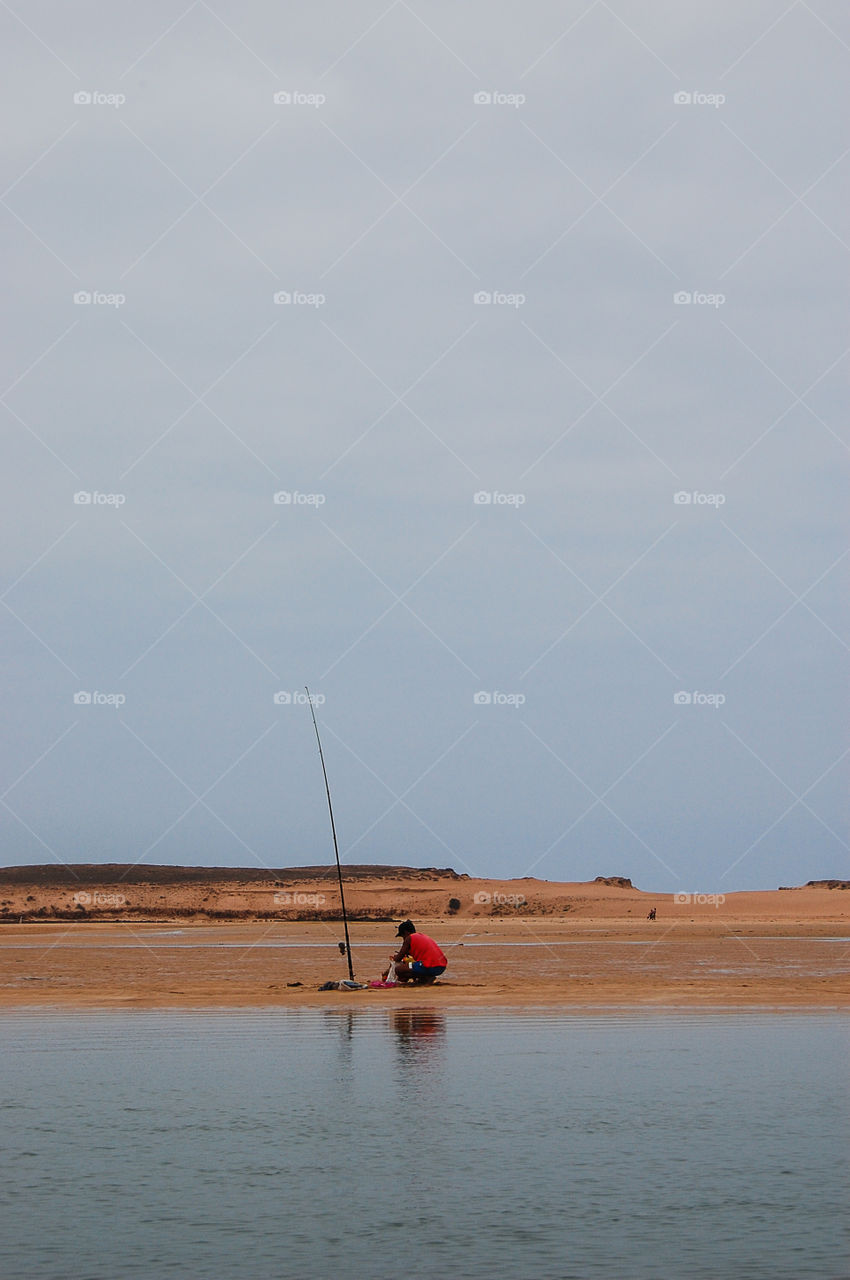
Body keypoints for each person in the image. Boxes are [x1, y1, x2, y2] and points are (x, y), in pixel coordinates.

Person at [384, 920, 447, 984]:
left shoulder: (409, 938)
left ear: (406, 932)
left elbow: (398, 958)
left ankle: (426, 978)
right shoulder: (422, 936)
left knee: (398, 969)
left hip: (430, 966)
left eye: (403, 936)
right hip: (441, 966)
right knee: (410, 967)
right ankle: (425, 978)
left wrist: (394, 958)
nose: (403, 939)